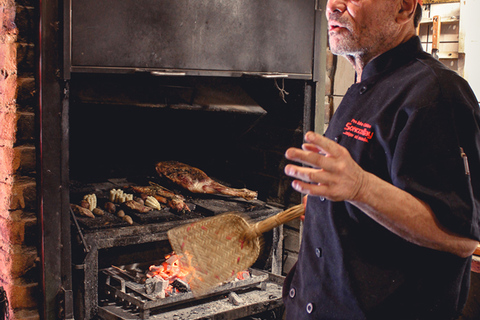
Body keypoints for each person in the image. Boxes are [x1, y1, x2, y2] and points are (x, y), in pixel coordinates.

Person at [282, 0, 480, 319]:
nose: (333, 5)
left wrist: (359, 187)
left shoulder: (436, 94)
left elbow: (462, 239)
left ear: (403, 8)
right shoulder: (364, 85)